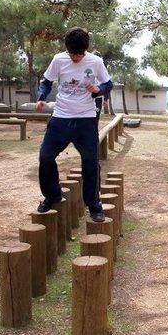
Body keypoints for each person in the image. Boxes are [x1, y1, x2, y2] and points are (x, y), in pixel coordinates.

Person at [35, 27, 113, 222]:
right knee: (45, 156)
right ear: (67, 49)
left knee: (91, 162)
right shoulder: (58, 59)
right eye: (72, 54)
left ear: (86, 50)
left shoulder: (95, 62)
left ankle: (94, 206)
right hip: (60, 117)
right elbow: (46, 81)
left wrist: (97, 90)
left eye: (79, 54)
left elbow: (108, 84)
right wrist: (41, 97)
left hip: (85, 119)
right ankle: (52, 195)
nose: (76, 58)